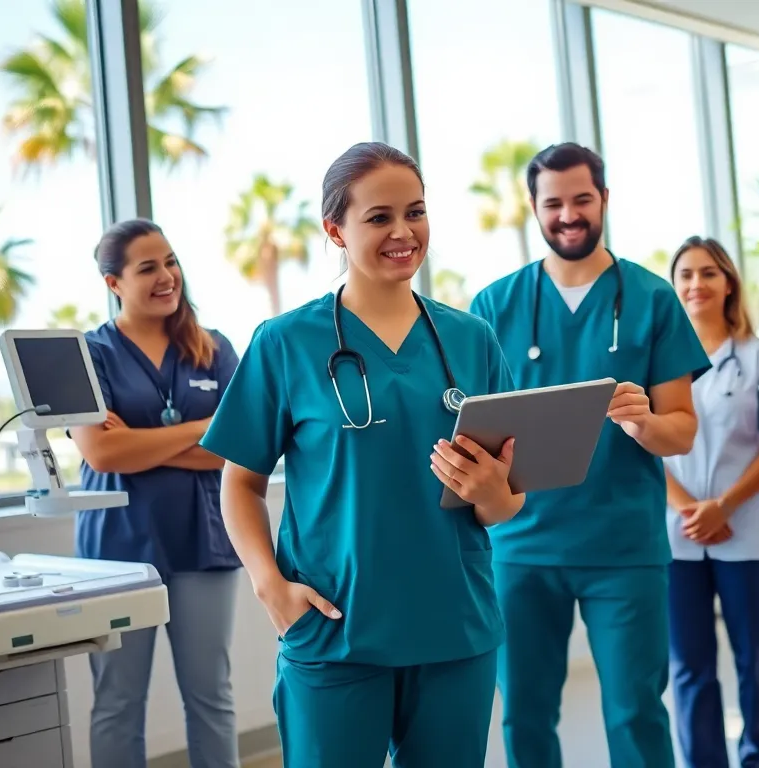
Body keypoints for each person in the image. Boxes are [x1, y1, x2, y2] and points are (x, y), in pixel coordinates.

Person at [198, 142, 524, 768]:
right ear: (335, 230)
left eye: (416, 212)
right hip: (335, 631)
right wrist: (271, 590)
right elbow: (238, 485)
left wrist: (492, 493)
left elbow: (509, 501)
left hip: (456, 629)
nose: (403, 232)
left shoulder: (471, 339)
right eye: (379, 218)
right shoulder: (285, 342)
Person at [469, 142, 710, 768]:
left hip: (623, 550)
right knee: (524, 713)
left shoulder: (652, 298)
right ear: (534, 208)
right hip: (521, 548)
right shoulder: (494, 307)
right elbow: (472, 431)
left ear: (604, 198)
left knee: (635, 712)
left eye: (582, 199)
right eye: (554, 203)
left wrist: (642, 424)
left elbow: (681, 431)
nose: (569, 215)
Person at [71, 218, 242, 768]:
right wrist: (203, 427)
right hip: (116, 548)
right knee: (118, 702)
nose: (168, 276)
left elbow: (236, 446)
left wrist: (139, 442)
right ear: (114, 283)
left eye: (171, 261)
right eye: (148, 268)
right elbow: (100, 454)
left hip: (203, 543)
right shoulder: (88, 354)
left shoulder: (214, 349)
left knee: (211, 698)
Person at [663, 236, 759, 768]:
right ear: (674, 288)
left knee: (755, 656)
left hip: (746, 530)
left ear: (728, 284)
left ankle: (758, 755)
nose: (696, 284)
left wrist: (724, 506)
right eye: (686, 275)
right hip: (678, 534)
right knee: (689, 665)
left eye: (708, 273)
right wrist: (690, 509)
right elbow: (645, 445)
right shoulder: (658, 363)